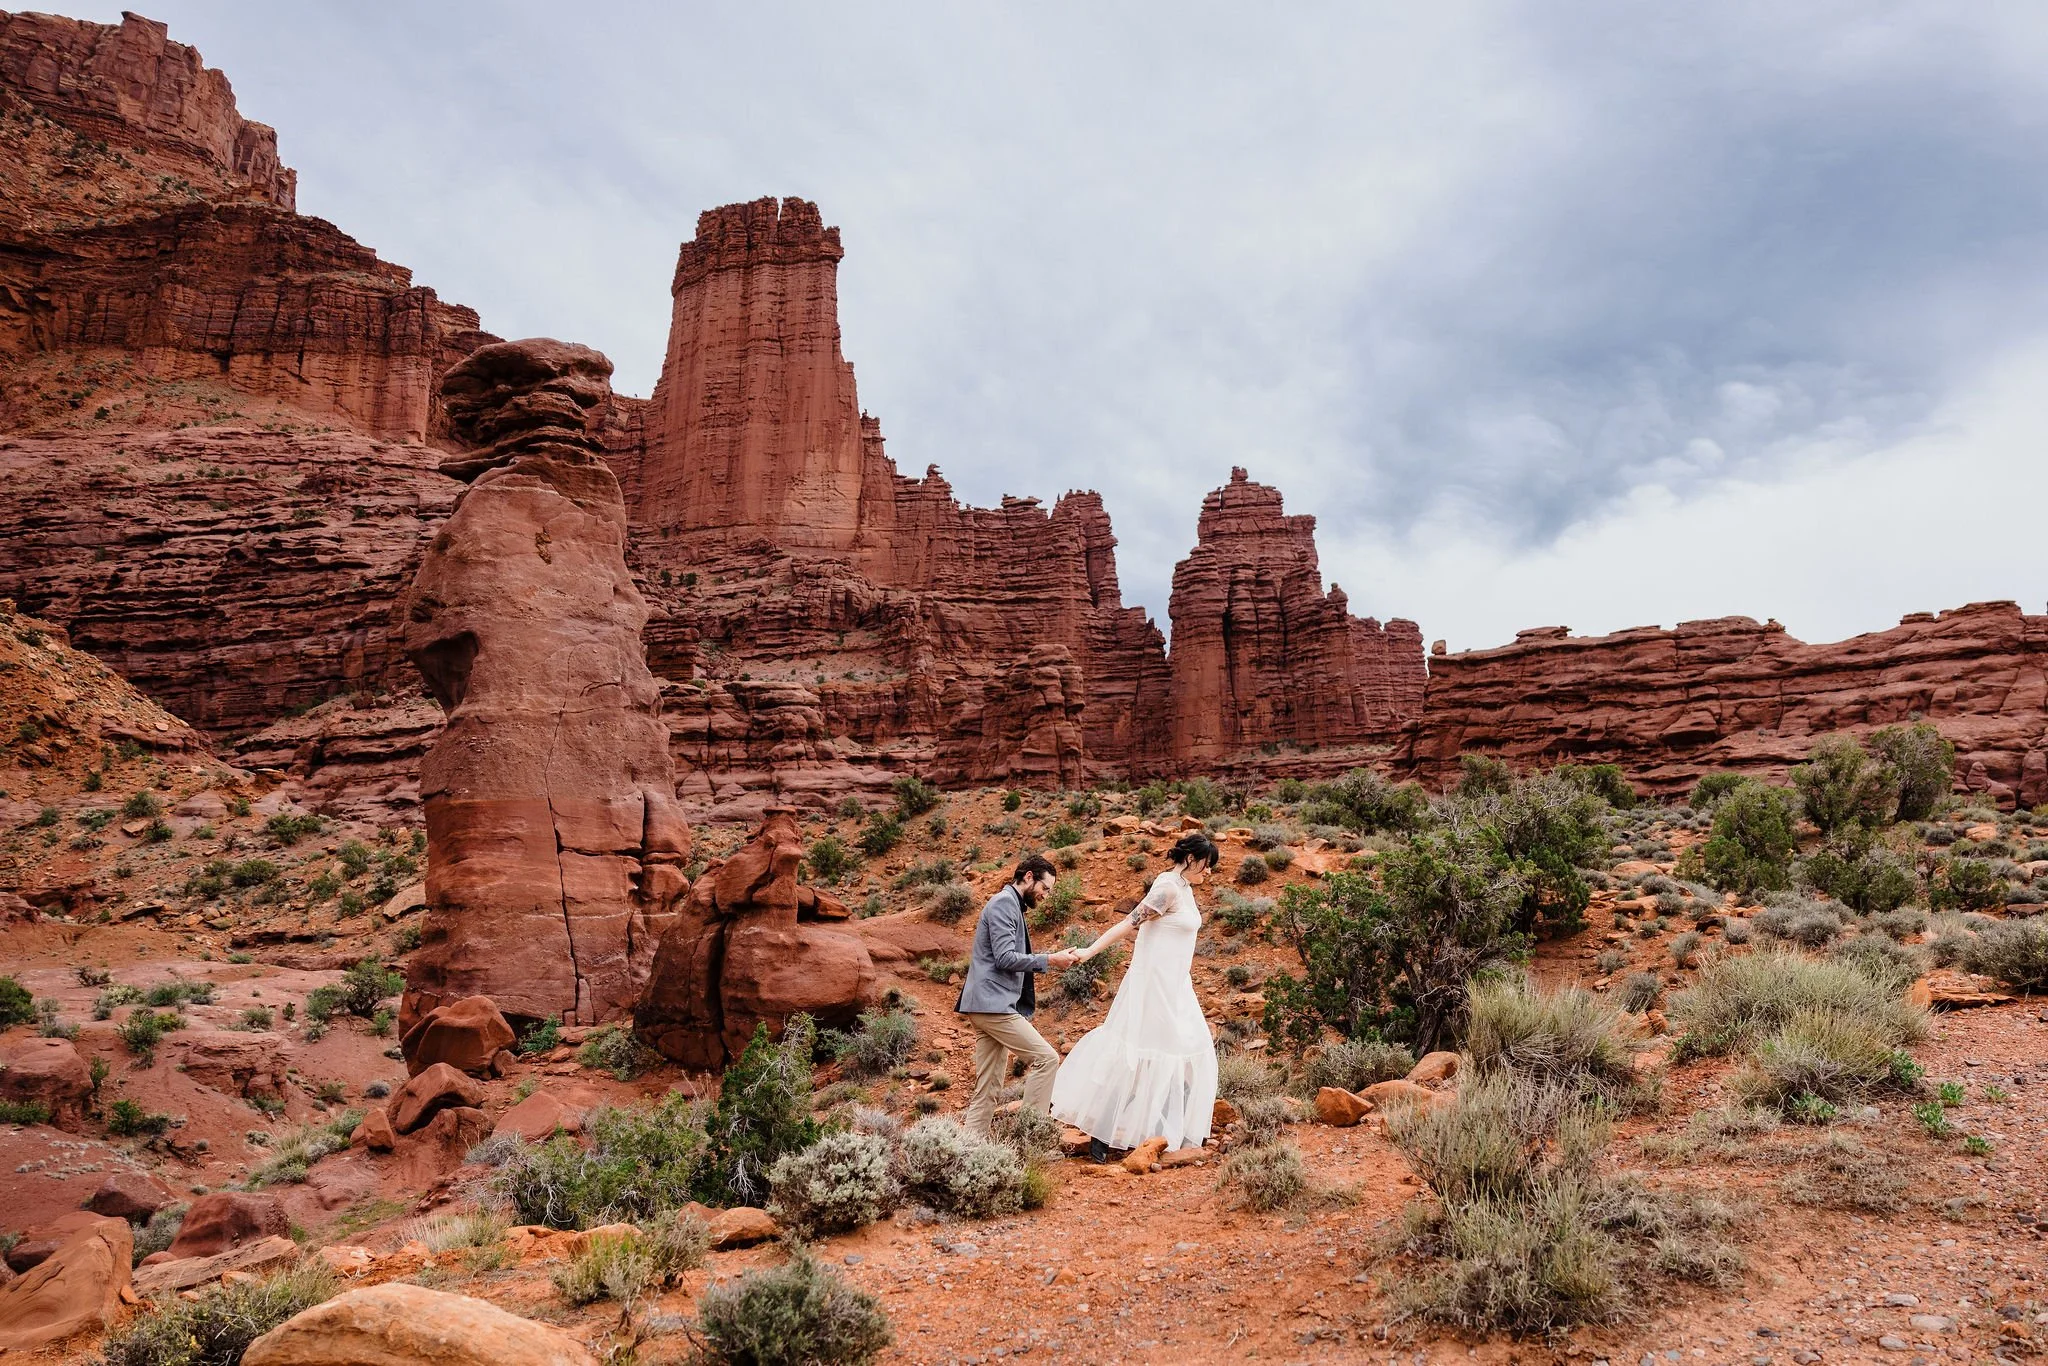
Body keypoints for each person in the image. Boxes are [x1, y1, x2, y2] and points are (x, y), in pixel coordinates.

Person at [1050, 832, 1221, 1161]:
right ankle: (1103, 1134)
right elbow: (1128, 924)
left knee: (1188, 1054)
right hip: (1154, 988)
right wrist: (1089, 951)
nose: (1209, 872)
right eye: (1207, 864)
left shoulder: (1184, 888)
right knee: (1142, 1056)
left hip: (1176, 987)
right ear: (1191, 859)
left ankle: (1156, 1131)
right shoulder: (1168, 888)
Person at [955, 853, 1083, 1138]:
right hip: (993, 1005)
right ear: (1028, 877)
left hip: (987, 1004)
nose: (1046, 895)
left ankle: (969, 1146)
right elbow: (1004, 957)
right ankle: (1031, 1136)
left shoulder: (1011, 904)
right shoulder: (1004, 903)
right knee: (1046, 1059)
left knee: (988, 1087)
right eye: (1045, 888)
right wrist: (1051, 959)